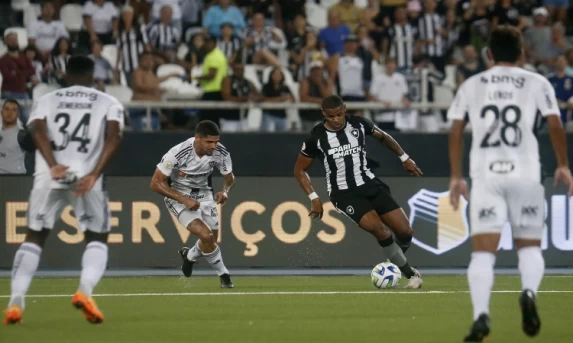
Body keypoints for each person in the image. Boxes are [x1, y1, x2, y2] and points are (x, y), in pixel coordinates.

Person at [448, 26, 573, 342]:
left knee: (483, 254)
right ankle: (528, 291)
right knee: (529, 246)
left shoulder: (471, 85)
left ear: (489, 54)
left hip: (486, 174)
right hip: (526, 173)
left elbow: (455, 132)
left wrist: (455, 177)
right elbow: (555, 124)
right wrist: (563, 165)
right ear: (521, 54)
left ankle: (481, 317)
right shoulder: (537, 82)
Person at [3, 56, 125, 325]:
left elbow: (35, 130)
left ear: (66, 75)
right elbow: (114, 137)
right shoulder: (108, 102)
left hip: (49, 175)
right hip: (86, 177)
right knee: (96, 237)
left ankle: (16, 302)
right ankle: (85, 291)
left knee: (35, 236)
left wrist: (53, 164)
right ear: (93, 76)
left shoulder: (47, 99)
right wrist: (94, 173)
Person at [293, 95, 424, 289]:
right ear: (323, 114)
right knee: (381, 231)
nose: (336, 120)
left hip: (370, 184)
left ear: (345, 109)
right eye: (331, 116)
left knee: (405, 232)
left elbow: (384, 137)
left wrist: (404, 157)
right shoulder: (316, 137)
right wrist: (314, 197)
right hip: (344, 194)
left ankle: (394, 261)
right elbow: (299, 170)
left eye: (339, 114)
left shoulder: (359, 124)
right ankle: (410, 274)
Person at [150, 120, 235, 288]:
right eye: (209, 142)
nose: (213, 146)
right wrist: (184, 199)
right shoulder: (178, 153)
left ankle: (189, 256)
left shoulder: (221, 152)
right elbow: (155, 183)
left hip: (205, 195)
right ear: (197, 138)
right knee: (207, 236)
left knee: (211, 241)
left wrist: (225, 191)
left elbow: (229, 178)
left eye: (216, 142)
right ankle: (224, 275)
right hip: (178, 197)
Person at [0, 99, 27, 174]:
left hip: (14, 179)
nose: (10, 112)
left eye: (14, 110)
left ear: (18, 114)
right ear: (1, 112)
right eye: (7, 109)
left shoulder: (23, 135)